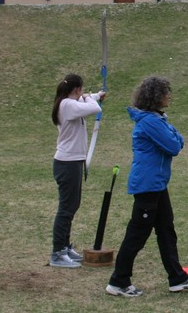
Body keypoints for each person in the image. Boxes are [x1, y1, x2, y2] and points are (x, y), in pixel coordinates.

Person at [106, 76, 188, 297]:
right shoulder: (151, 121)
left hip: (157, 184)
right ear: (155, 97)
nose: (169, 96)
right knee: (137, 234)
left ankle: (177, 278)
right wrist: (174, 135)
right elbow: (174, 145)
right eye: (165, 92)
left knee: (166, 231)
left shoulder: (157, 119)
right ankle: (118, 282)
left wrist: (173, 134)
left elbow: (176, 139)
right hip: (148, 185)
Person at [50, 74, 105, 268]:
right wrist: (92, 98)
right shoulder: (67, 105)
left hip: (72, 162)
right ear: (77, 89)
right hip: (67, 163)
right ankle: (57, 253)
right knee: (67, 208)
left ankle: (64, 247)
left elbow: (88, 101)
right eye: (82, 89)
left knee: (72, 206)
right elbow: (94, 108)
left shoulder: (70, 103)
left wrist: (96, 95)